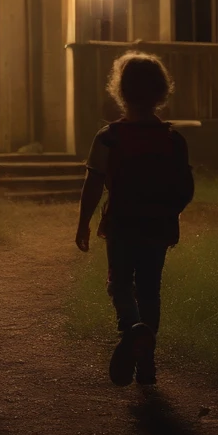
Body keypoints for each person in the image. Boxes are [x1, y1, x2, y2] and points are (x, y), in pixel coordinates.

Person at [74, 52, 194, 386]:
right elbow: (185, 188)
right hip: (157, 227)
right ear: (161, 92)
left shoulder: (109, 137)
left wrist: (84, 222)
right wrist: (169, 215)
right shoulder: (172, 139)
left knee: (119, 283)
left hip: (122, 225)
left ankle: (132, 327)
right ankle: (147, 363)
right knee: (150, 290)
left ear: (120, 92)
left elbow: (94, 182)